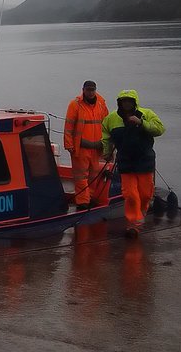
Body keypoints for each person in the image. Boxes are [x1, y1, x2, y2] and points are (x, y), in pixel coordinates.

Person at [101, 90, 166, 238]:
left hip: (144, 160)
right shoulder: (111, 118)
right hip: (125, 161)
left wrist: (142, 123)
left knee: (144, 194)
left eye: (129, 101)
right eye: (124, 101)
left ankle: (140, 215)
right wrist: (107, 152)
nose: (127, 104)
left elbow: (159, 129)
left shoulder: (147, 114)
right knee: (130, 195)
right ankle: (133, 224)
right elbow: (105, 136)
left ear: (134, 102)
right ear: (120, 102)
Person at [64, 80, 109, 210]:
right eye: (88, 90)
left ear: (95, 90)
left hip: (96, 148)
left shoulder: (101, 104)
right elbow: (68, 126)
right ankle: (83, 202)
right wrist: (69, 145)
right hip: (80, 148)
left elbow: (106, 125)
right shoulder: (75, 105)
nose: (90, 92)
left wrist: (107, 145)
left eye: (92, 90)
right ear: (83, 90)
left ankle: (90, 198)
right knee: (81, 176)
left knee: (94, 175)